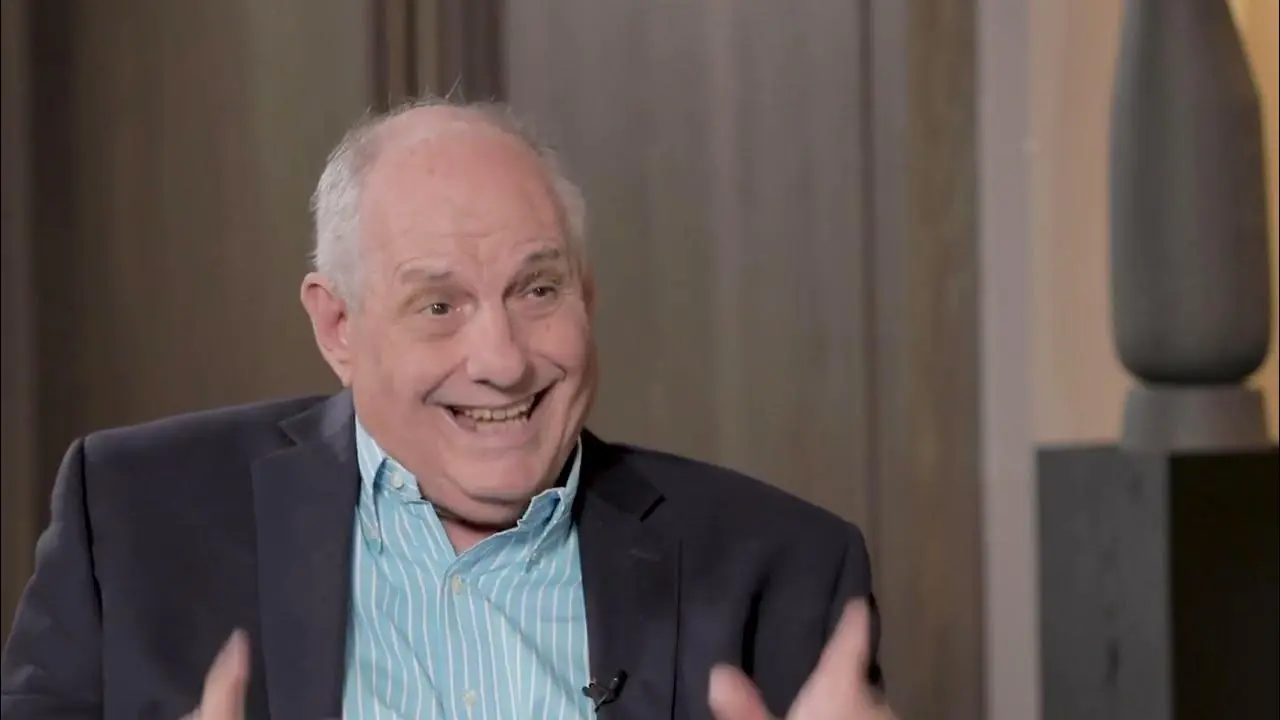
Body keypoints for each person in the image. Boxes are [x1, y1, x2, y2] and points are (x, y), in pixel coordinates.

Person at [1, 100, 895, 720]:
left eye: (538, 290)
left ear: (586, 296)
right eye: (439, 305)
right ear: (338, 326)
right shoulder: (133, 518)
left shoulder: (784, 568)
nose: (502, 361)